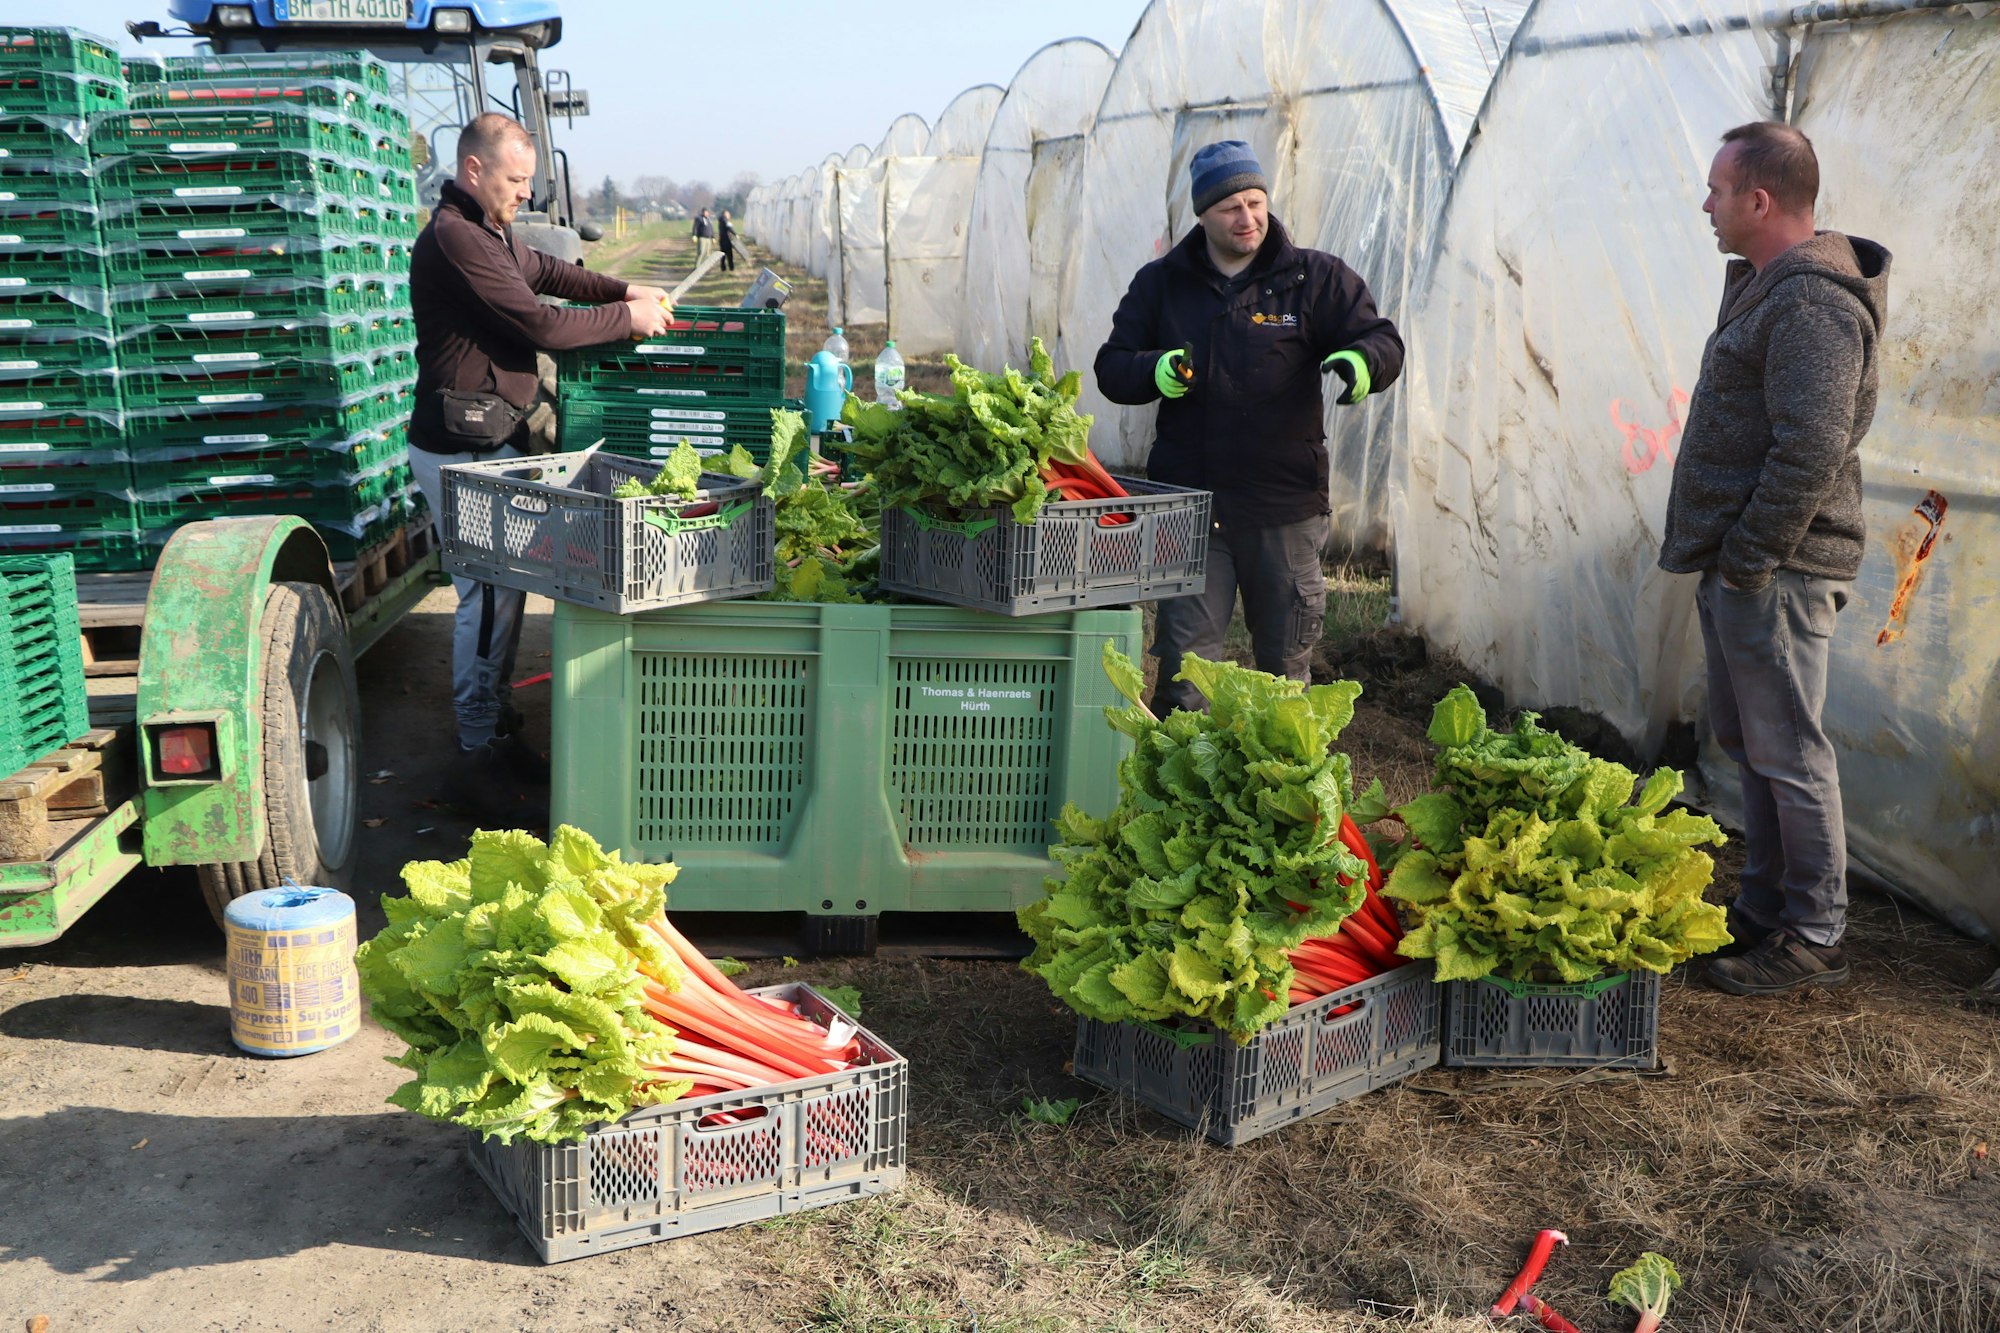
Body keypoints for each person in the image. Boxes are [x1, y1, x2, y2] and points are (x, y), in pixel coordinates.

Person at [1659, 121, 1890, 995]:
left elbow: (1811, 447)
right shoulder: (1772, 287)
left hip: (1780, 569)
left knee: (1789, 749)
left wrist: (1750, 559)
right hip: (1748, 565)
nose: (1706, 204)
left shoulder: (1812, 301)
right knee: (1752, 744)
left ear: (1760, 200)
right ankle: (1762, 911)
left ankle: (1814, 931)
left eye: (1717, 190)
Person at [407, 112, 672, 805]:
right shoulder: (455, 238)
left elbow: (552, 272)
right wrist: (627, 321)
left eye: (528, 180)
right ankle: (473, 750)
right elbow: (539, 322)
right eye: (515, 179)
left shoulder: (489, 233)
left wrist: (622, 291)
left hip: (490, 437)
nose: (525, 192)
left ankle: (494, 728)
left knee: (504, 591)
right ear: (475, 170)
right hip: (463, 447)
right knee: (486, 598)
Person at [1093, 140, 1404, 714]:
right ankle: (1182, 794)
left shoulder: (1312, 278)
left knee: (1285, 675)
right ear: (1203, 214)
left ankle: (1284, 793)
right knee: (1188, 676)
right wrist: (1153, 370)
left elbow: (1381, 338)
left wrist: (1361, 365)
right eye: (1231, 206)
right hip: (1191, 506)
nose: (1248, 217)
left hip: (1283, 506)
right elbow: (1112, 365)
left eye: (1256, 202)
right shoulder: (1162, 283)